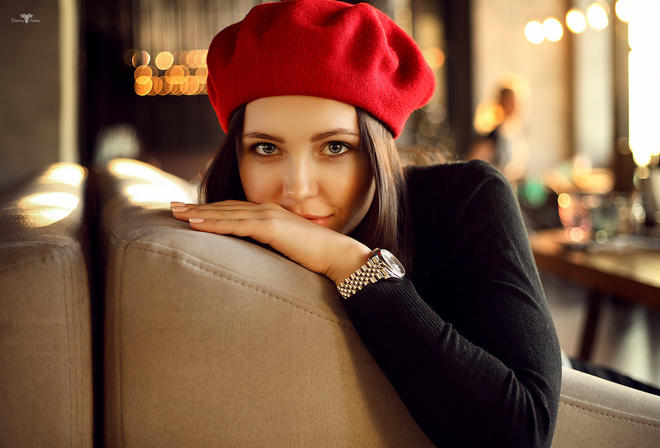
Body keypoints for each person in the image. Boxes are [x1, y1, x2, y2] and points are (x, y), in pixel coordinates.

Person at [170, 0, 562, 446]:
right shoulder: (233, 238)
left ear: (377, 149)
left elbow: (524, 430)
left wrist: (354, 263)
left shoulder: (466, 198)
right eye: (265, 148)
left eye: (335, 147)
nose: (297, 189)